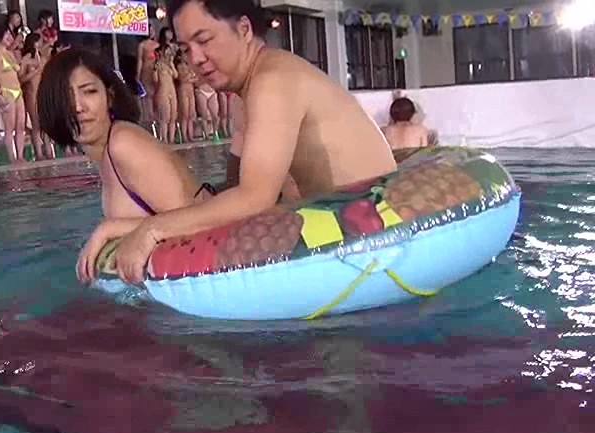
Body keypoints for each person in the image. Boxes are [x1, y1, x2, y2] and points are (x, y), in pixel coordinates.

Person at [110, 0, 397, 284]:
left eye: (204, 40)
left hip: (379, 238)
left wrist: (153, 230)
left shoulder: (272, 81)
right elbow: (244, 191)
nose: (196, 58)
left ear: (244, 29)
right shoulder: (257, 83)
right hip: (360, 219)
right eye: (186, 49)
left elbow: (255, 198)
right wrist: (133, 225)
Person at [36, 49, 215, 283]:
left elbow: (196, 220)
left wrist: (109, 229)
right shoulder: (107, 153)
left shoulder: (124, 143)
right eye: (66, 96)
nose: (78, 106)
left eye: (89, 91)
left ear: (109, 97)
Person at [0, 23, 27, 163]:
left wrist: (25, 62)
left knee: (21, 125)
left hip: (18, 91)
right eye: (7, 35)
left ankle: (20, 156)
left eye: (11, 34)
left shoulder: (10, 53)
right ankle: (12, 157)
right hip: (6, 91)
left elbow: (19, 72)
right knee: (9, 127)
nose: (10, 37)